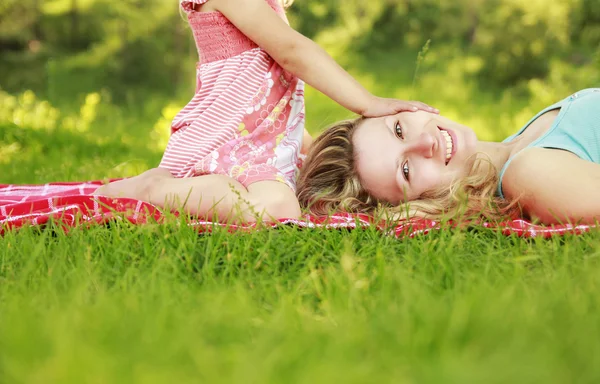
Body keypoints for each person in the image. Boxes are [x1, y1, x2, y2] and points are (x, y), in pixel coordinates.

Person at [94, 0, 437, 223]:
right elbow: (292, 53)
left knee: (320, 194)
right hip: (225, 141)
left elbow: (273, 102)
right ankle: (156, 189)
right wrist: (367, 102)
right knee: (278, 208)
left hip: (256, 149)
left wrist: (311, 148)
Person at [296, 88, 600, 225]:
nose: (425, 142)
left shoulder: (521, 142)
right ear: (424, 203)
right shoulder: (531, 173)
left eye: (399, 129)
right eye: (406, 170)